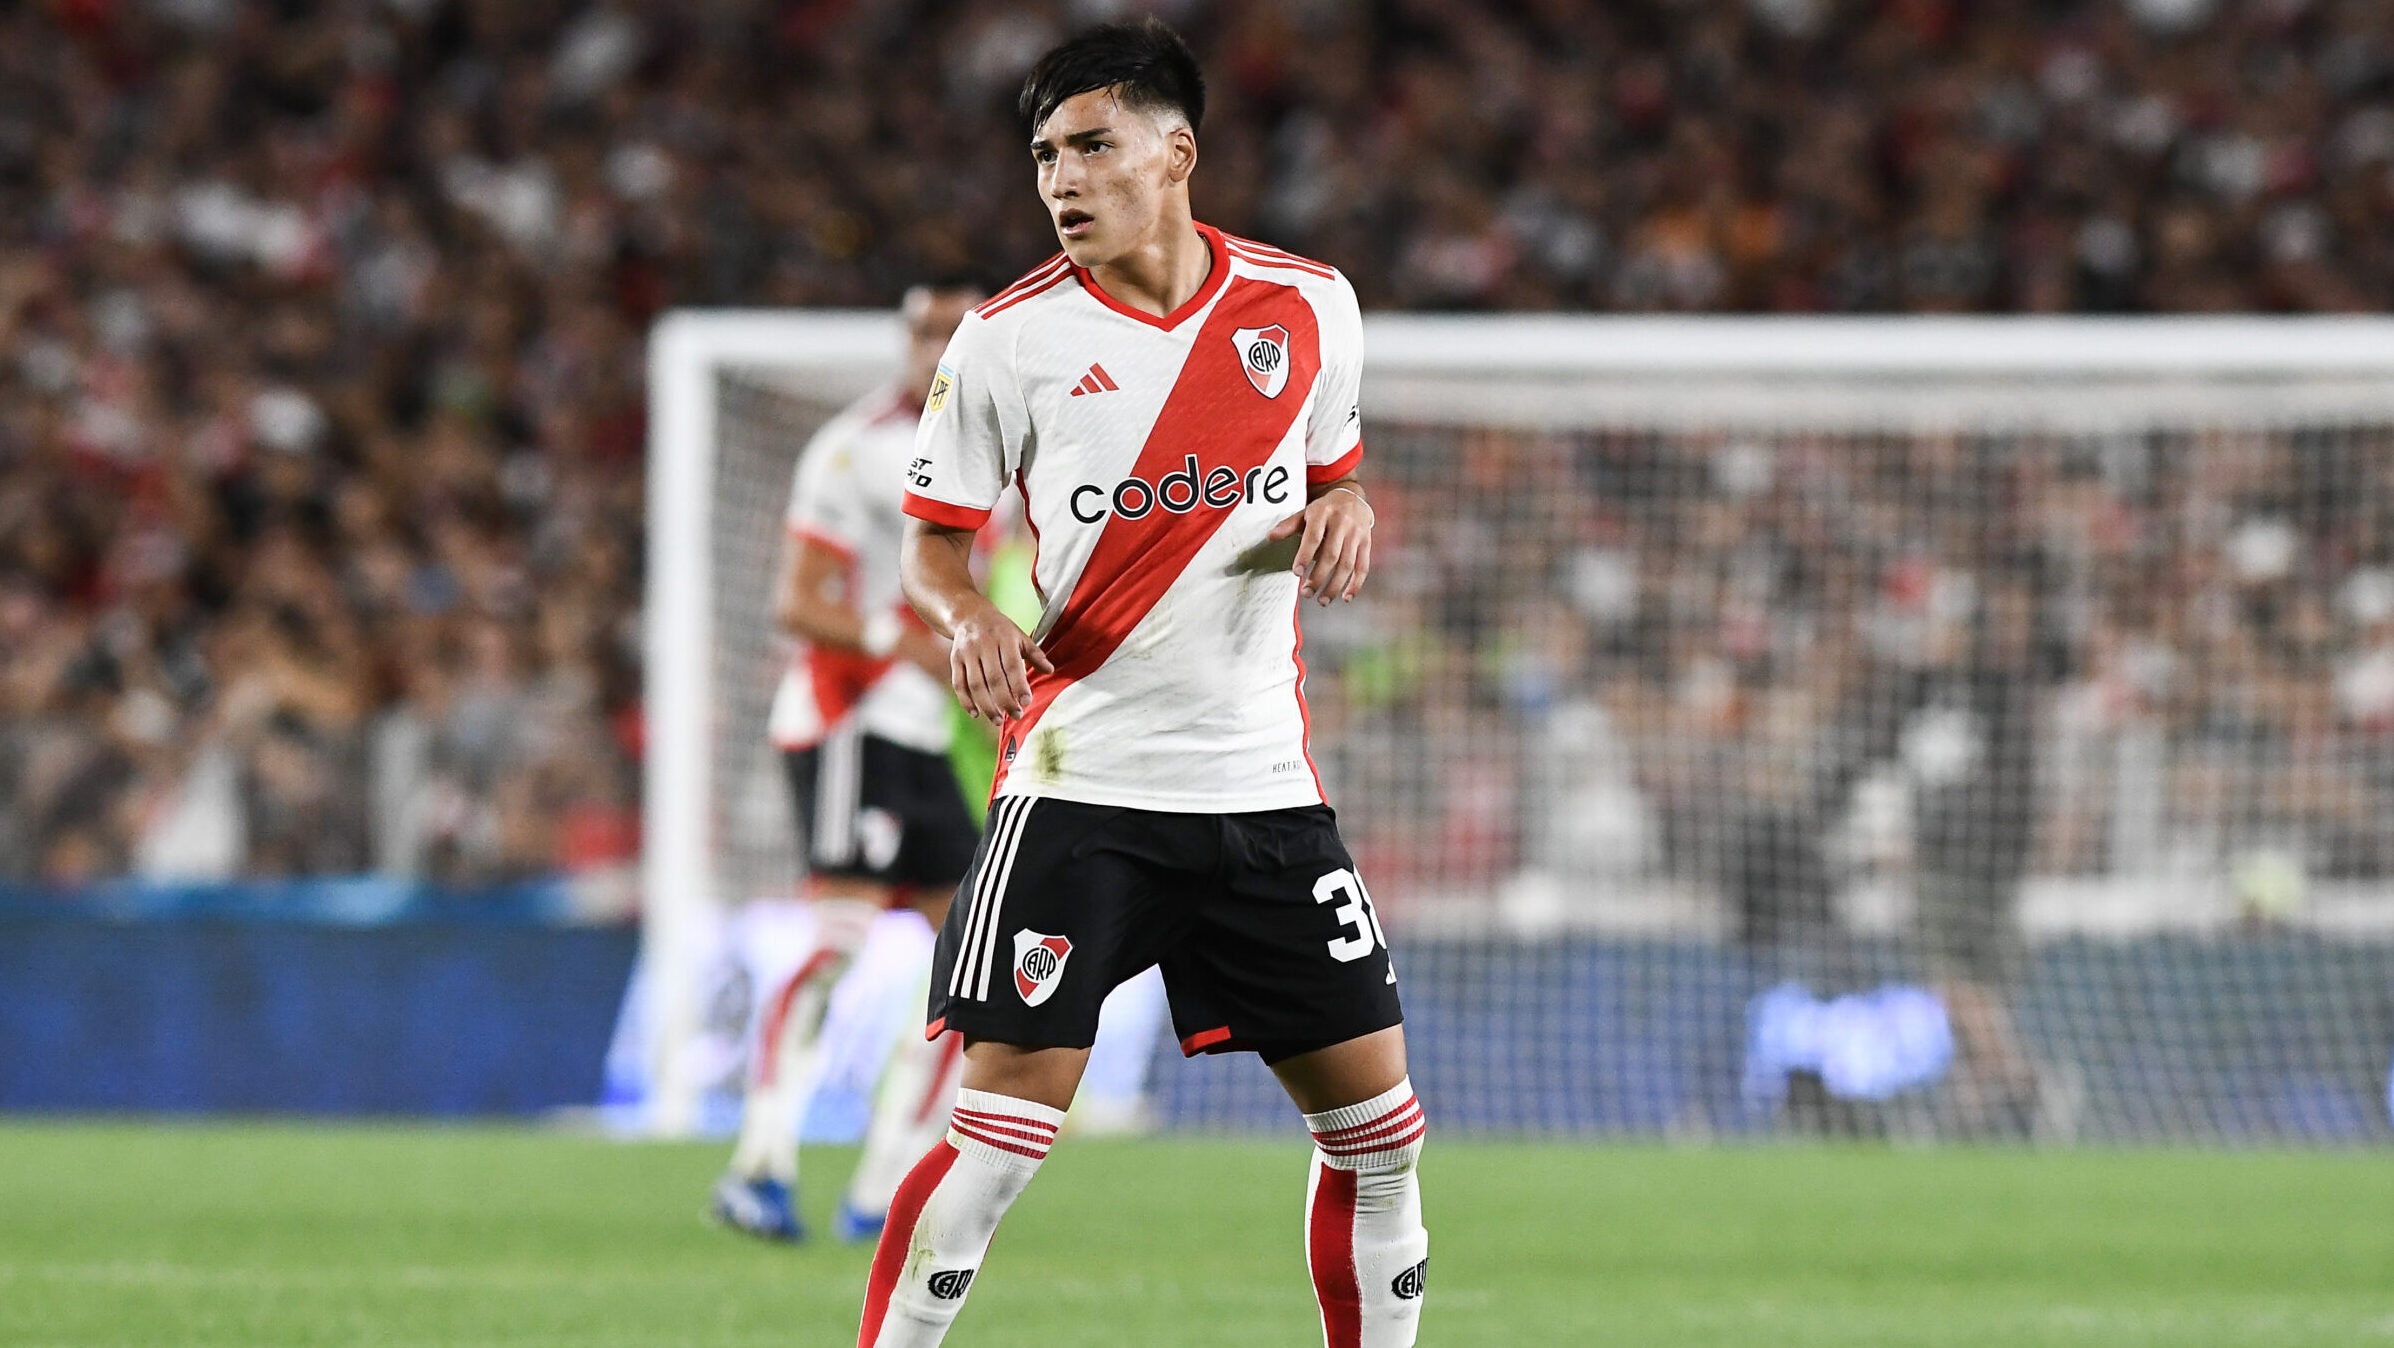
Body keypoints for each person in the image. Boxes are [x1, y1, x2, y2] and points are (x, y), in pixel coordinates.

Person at [858, 20, 1425, 1348]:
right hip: (1078, 791)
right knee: (994, 1146)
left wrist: (1347, 515)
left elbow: (1329, 480)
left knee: (1381, 1137)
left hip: (1262, 794)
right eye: (1046, 154)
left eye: (1093, 147)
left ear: (1177, 152)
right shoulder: (1007, 340)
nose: (1061, 179)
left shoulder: (1307, 306)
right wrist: (959, 619)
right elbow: (933, 536)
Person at [710, 281, 985, 1244]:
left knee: (970, 964)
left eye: (957, 329)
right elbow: (796, 600)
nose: (937, 346)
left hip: (930, 738)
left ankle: (881, 1194)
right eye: (923, 330)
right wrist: (898, 638)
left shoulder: (1014, 448)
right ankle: (761, 1166)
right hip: (851, 722)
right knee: (838, 945)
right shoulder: (851, 445)